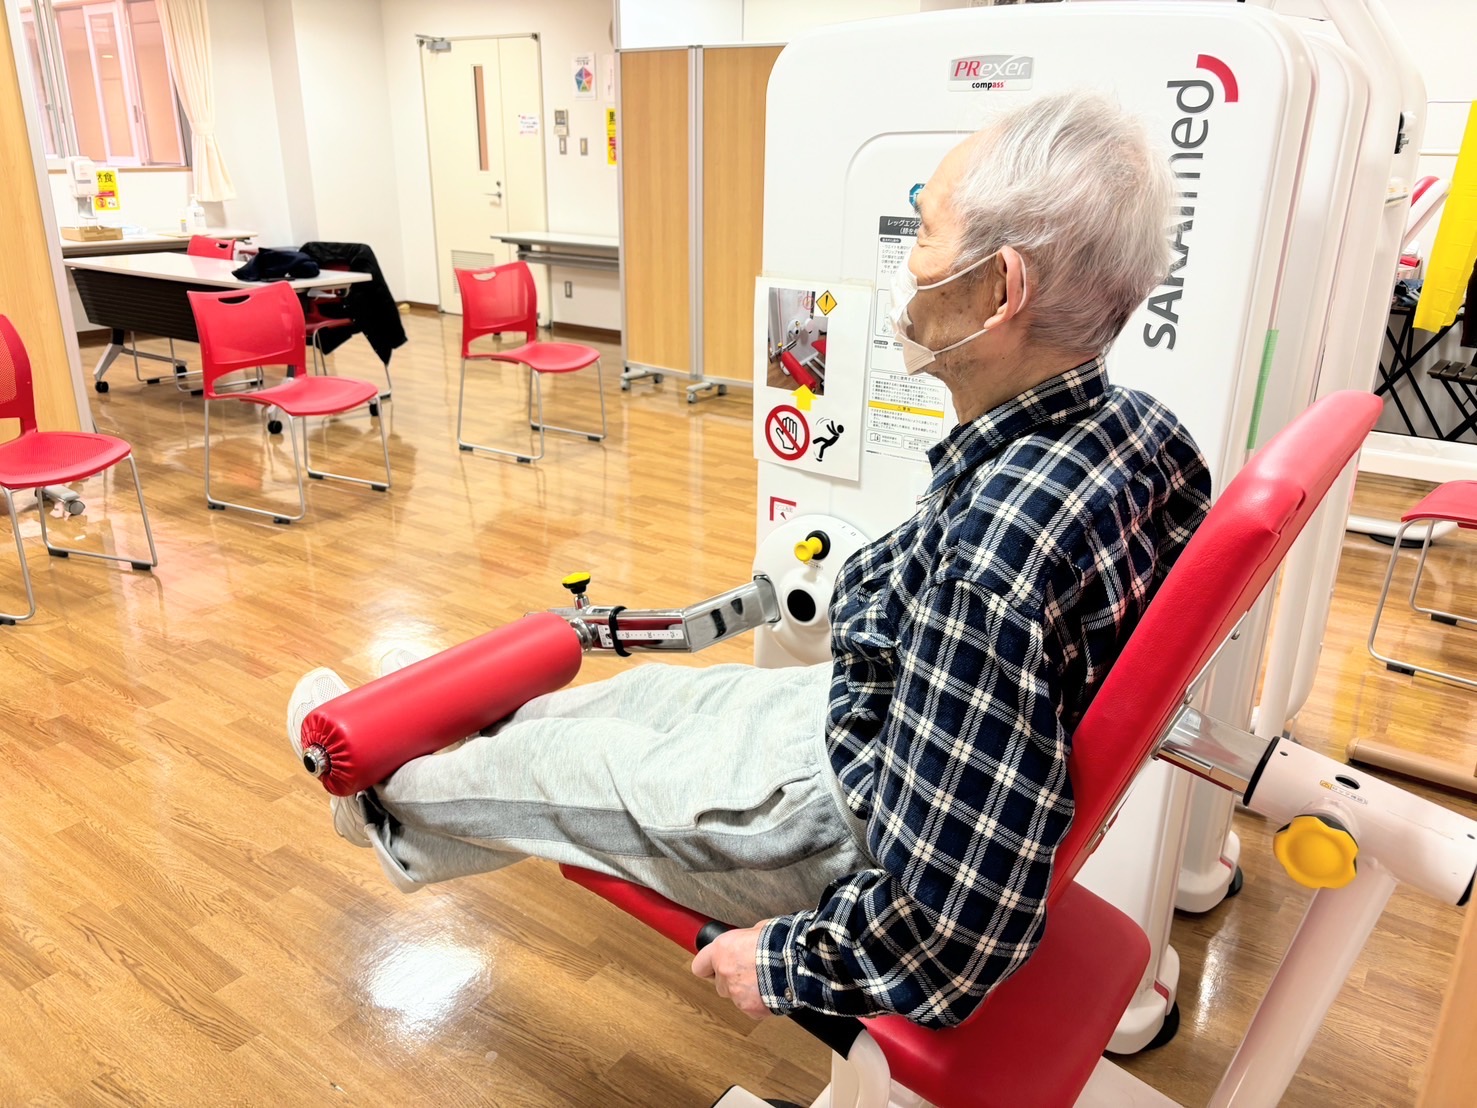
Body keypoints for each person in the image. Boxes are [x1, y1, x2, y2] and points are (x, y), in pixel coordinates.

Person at [287, 89, 1211, 1031]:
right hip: (867, 717)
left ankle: (370, 789)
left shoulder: (993, 560)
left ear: (999, 289)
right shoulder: (1145, 437)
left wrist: (781, 963)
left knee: (559, 768)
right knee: (630, 700)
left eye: (925, 232)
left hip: (830, 821)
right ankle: (416, 825)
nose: (907, 264)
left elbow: (955, 929)